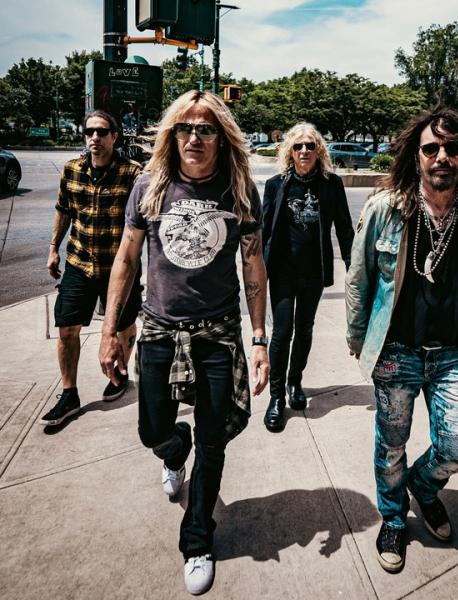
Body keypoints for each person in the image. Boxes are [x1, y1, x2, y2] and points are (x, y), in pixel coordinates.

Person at [98, 90, 269, 596]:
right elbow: (126, 259)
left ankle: (197, 538)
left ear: (222, 137)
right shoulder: (150, 185)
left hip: (217, 334)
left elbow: (253, 263)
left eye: (206, 129)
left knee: (213, 440)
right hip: (158, 329)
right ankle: (175, 449)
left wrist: (259, 339)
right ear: (172, 135)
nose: (194, 137)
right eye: (185, 128)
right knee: (152, 430)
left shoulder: (239, 189)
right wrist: (110, 331)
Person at [345, 107, 458, 573]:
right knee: (391, 444)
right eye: (431, 148)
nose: (442, 157)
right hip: (396, 352)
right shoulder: (384, 209)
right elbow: (359, 278)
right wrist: (358, 337)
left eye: (452, 148)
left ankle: (423, 486)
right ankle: (393, 518)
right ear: (416, 156)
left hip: (453, 355)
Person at [41, 110, 142, 426]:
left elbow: (143, 223)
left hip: (119, 268)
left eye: (101, 132)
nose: (94, 137)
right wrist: (53, 249)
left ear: (114, 136)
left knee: (125, 326)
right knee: (67, 327)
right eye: (89, 132)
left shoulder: (132, 173)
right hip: (79, 263)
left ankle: (119, 374)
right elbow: (63, 211)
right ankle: (69, 393)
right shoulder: (72, 170)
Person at [261, 122, 354, 432]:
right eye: (298, 146)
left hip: (314, 272)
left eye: (310, 146)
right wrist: (256, 270)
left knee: (304, 329)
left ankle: (294, 381)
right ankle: (276, 397)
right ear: (290, 151)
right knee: (282, 331)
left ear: (319, 151)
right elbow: (263, 231)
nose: (304, 151)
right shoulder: (276, 185)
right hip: (282, 272)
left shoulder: (331, 184)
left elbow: (344, 227)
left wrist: (353, 267)